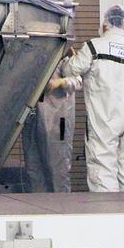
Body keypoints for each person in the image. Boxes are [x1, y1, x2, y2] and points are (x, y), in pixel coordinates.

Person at [67, 5, 124, 192]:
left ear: (106, 24)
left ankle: (107, 208)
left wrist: (67, 59)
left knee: (102, 167)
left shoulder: (94, 46)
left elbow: (72, 69)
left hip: (104, 116)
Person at [22, 58, 78, 193]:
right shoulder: (31, 55)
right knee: (33, 166)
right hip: (33, 116)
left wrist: (60, 82)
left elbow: (78, 80)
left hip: (58, 119)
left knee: (58, 167)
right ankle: (36, 203)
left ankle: (61, 203)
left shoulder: (64, 54)